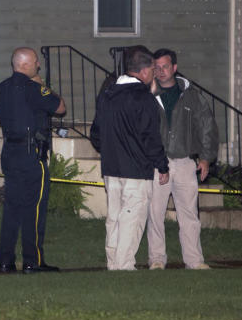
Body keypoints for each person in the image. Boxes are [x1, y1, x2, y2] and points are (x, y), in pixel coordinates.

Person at [90, 46, 169, 270]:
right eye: (153, 70)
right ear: (145, 71)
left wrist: (109, 150)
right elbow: (150, 137)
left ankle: (113, 263)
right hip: (136, 170)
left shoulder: (108, 95)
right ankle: (124, 266)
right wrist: (162, 165)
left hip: (111, 168)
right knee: (131, 219)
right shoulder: (143, 98)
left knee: (114, 218)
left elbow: (96, 133)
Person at [0, 47, 66, 274]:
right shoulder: (34, 88)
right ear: (26, 65)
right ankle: (32, 261)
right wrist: (41, 84)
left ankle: (5, 261)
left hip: (9, 153)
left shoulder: (1, 88)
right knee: (34, 208)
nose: (39, 66)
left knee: (12, 208)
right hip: (31, 154)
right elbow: (60, 108)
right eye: (36, 62)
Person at [146, 48, 219, 270]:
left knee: (189, 214)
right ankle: (157, 259)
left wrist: (206, 158)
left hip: (186, 162)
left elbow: (207, 126)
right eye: (156, 67)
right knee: (155, 213)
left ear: (175, 68)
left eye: (165, 66)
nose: (160, 71)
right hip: (158, 163)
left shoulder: (191, 95)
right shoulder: (147, 94)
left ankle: (194, 260)